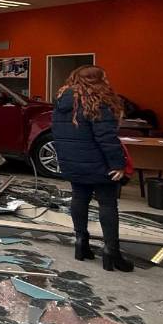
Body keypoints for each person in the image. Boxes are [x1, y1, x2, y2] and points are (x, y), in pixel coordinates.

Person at [50, 65, 133, 273]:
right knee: (108, 204)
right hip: (99, 163)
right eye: (104, 78)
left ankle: (81, 243)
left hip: (73, 161)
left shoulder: (62, 102)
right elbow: (106, 138)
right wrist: (118, 164)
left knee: (79, 198)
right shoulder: (99, 102)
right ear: (98, 80)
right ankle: (111, 252)